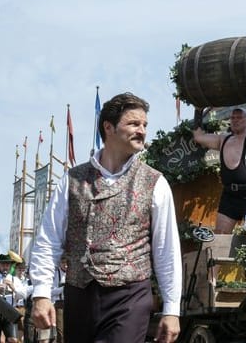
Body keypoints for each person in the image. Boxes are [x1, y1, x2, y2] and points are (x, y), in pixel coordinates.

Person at [29, 92, 182, 343]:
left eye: (144, 125)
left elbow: (167, 250)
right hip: (79, 295)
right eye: (133, 123)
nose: (142, 130)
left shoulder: (155, 182)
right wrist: (42, 293)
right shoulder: (72, 179)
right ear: (108, 127)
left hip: (130, 297)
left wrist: (172, 309)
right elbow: (49, 239)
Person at [193, 96, 246, 234]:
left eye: (239, 117)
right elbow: (198, 137)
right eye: (233, 118)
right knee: (220, 235)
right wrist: (198, 110)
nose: (235, 120)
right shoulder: (222, 140)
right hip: (230, 197)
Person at [0, 254, 23, 343]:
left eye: (8, 265)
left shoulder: (15, 279)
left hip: (9, 312)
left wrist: (13, 288)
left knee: (13, 340)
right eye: (3, 264)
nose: (5, 267)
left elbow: (22, 296)